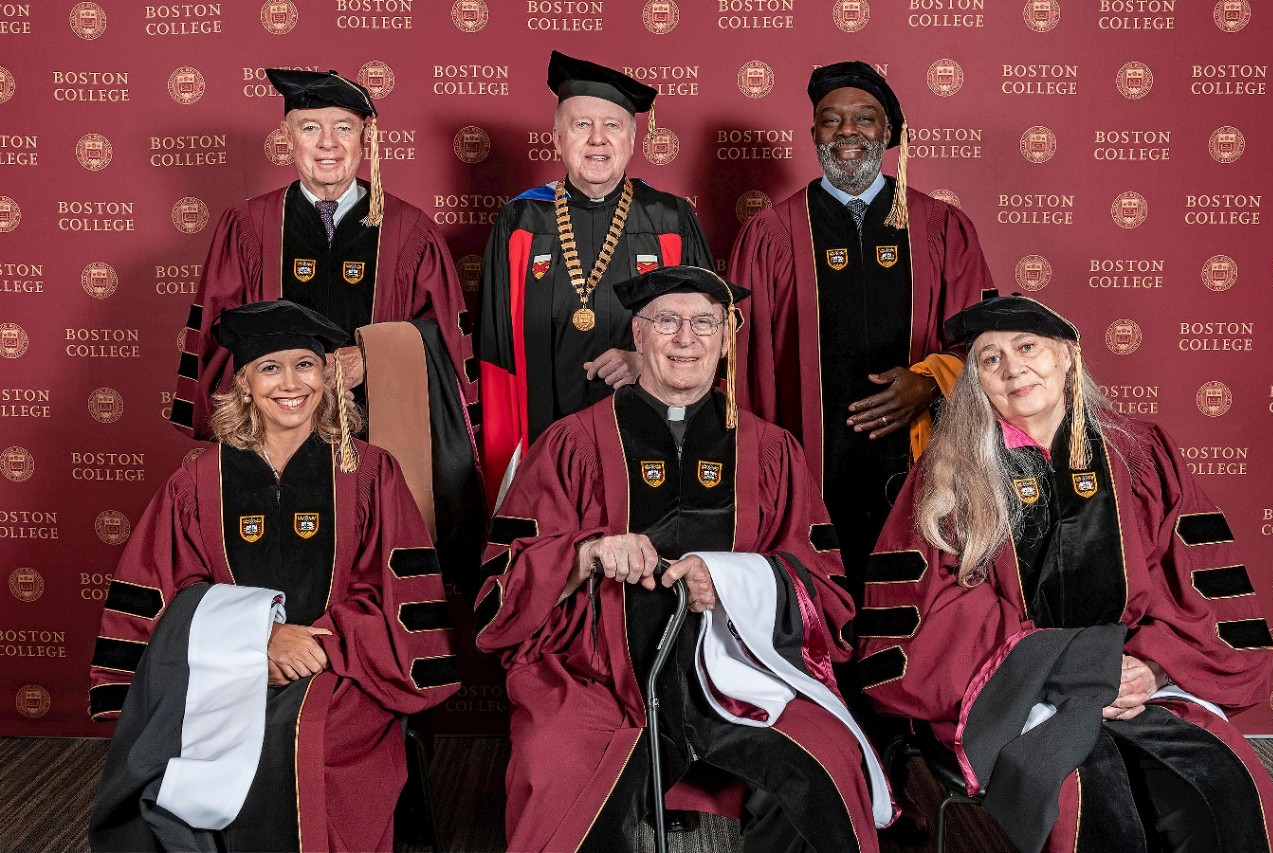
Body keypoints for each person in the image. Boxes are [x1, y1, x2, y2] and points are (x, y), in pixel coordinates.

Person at [475, 266, 892, 852]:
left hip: (744, 674)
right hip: (596, 677)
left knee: (826, 762)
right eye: (667, 321)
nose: (686, 339)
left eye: (705, 324)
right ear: (637, 337)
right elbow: (504, 581)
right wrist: (588, 554)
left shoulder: (771, 450)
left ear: (726, 340)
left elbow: (825, 588)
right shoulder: (571, 444)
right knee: (558, 767)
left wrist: (733, 581)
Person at [857, 295, 1273, 853]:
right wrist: (1079, 669)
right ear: (975, 382)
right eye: (990, 358)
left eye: (1027, 347)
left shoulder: (1140, 455)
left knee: (1219, 788)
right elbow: (928, 616)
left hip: (1139, 687)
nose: (1013, 368)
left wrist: (1154, 665)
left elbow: (1194, 580)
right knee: (1090, 803)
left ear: (1067, 358)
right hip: (1018, 694)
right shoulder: (949, 476)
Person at [90, 301, 459, 853]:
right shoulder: (199, 481)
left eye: (306, 365)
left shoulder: (370, 472)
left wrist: (317, 644)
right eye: (270, 368)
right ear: (243, 385)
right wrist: (255, 640)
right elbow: (169, 589)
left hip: (341, 666)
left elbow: (403, 594)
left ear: (327, 377)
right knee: (185, 757)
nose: (292, 384)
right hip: (222, 669)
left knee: (298, 738)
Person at [729, 61, 994, 608]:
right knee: (818, 601)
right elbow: (743, 365)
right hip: (811, 465)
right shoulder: (773, 235)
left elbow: (987, 343)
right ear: (813, 136)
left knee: (911, 602)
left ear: (889, 134)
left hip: (924, 454)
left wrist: (930, 382)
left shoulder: (942, 228)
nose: (847, 132)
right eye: (831, 121)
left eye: (864, 119)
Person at [171, 68, 476, 442]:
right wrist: (291, 375)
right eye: (310, 128)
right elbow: (219, 335)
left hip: (380, 432)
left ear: (365, 137)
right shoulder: (248, 227)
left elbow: (444, 335)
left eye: (344, 128)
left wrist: (372, 359)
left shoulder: (410, 232)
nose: (328, 143)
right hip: (273, 435)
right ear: (287, 136)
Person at [478, 51, 714, 503]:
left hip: (646, 421)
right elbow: (495, 347)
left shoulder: (669, 218)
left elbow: (710, 329)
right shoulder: (522, 220)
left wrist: (647, 363)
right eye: (582, 125)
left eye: (612, 125)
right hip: (541, 426)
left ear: (632, 137)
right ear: (558, 138)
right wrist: (504, 449)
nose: (597, 140)